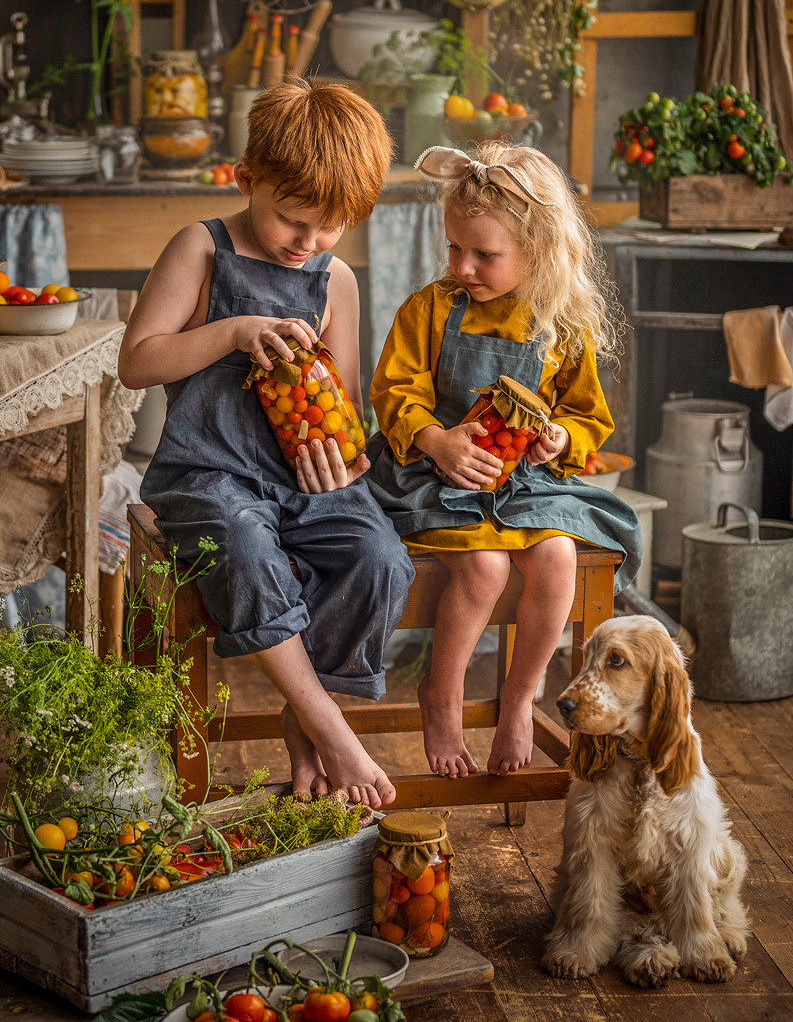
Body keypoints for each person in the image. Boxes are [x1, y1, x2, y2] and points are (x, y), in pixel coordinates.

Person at [118, 79, 414, 809]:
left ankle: (299, 714)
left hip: (301, 482)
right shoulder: (203, 249)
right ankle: (328, 722)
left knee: (380, 557)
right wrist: (232, 331)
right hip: (206, 478)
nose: (308, 244)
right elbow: (137, 361)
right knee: (246, 550)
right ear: (247, 179)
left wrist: (343, 463)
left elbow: (338, 400)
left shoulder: (333, 279)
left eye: (330, 229)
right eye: (291, 220)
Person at [366, 143, 642, 781]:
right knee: (485, 569)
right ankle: (444, 694)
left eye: (484, 254)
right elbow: (392, 393)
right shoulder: (431, 309)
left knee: (557, 557)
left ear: (538, 251)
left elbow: (588, 417)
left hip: (527, 482)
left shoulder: (559, 323)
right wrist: (437, 441)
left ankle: (521, 697)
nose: (463, 266)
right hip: (439, 474)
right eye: (454, 248)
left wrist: (560, 442)